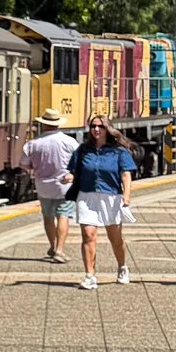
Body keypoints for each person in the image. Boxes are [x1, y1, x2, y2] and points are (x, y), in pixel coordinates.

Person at [70, 115, 136, 290]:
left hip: (111, 197)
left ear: (108, 129)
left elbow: (126, 174)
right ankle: (90, 275)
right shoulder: (83, 150)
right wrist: (66, 178)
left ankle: (122, 266)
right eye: (93, 126)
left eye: (100, 126)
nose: (96, 129)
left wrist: (127, 197)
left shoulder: (118, 151)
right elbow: (74, 171)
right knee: (88, 236)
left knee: (115, 238)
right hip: (87, 197)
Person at [19, 110, 79, 263]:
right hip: (64, 185)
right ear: (58, 123)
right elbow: (81, 161)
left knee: (48, 217)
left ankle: (52, 246)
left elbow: (24, 164)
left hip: (42, 186)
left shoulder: (32, 144)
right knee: (63, 216)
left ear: (43, 124)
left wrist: (35, 170)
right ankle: (59, 250)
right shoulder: (69, 141)